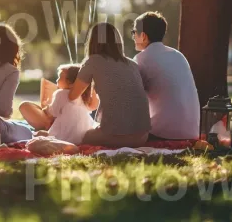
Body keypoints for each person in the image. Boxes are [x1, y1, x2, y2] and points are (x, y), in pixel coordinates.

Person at [69, 22, 151, 147]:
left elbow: (72, 96)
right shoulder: (132, 64)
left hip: (115, 137)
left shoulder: (93, 61)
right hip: (142, 137)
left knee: (82, 135)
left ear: (93, 41)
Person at [132, 12, 200, 140]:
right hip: (192, 132)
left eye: (134, 32)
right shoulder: (178, 55)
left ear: (144, 36)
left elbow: (132, 99)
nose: (133, 36)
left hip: (163, 133)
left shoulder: (141, 59)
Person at [19, 64, 99, 145]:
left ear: (71, 83)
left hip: (64, 136)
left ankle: (44, 132)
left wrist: (47, 106)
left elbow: (53, 113)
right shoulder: (84, 96)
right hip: (81, 136)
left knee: (39, 134)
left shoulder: (60, 93)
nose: (57, 80)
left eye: (59, 77)